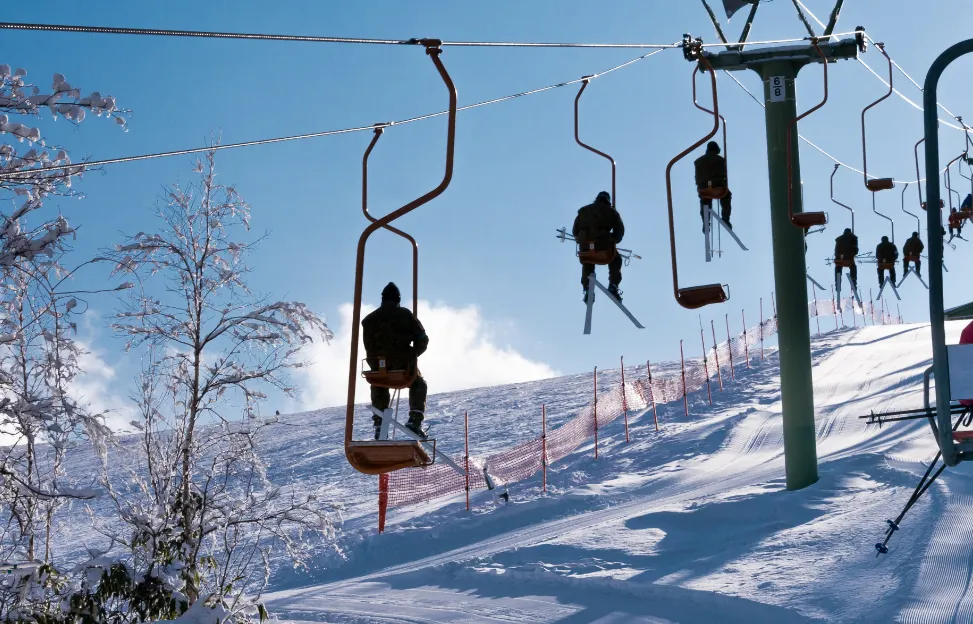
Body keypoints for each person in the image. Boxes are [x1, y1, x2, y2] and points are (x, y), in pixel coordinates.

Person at [362, 282, 430, 439]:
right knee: (419, 384)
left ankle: (380, 426)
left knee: (378, 383)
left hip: (378, 367)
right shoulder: (405, 314)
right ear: (398, 299)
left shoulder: (369, 320)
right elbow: (422, 338)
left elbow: (368, 345)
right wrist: (413, 354)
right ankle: (414, 421)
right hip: (402, 366)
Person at [572, 190, 625, 303]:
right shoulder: (612, 212)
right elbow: (620, 233)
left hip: (586, 249)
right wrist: (612, 239)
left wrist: (581, 240)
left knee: (588, 263)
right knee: (616, 260)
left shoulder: (583, 211)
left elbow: (575, 231)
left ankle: (587, 289)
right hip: (604, 248)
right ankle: (613, 286)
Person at [694, 141, 733, 229]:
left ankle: (706, 223)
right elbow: (724, 175)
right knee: (726, 196)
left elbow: (697, 177)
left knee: (705, 201)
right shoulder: (721, 160)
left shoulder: (698, 162)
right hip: (717, 189)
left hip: (703, 190)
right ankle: (725, 218)